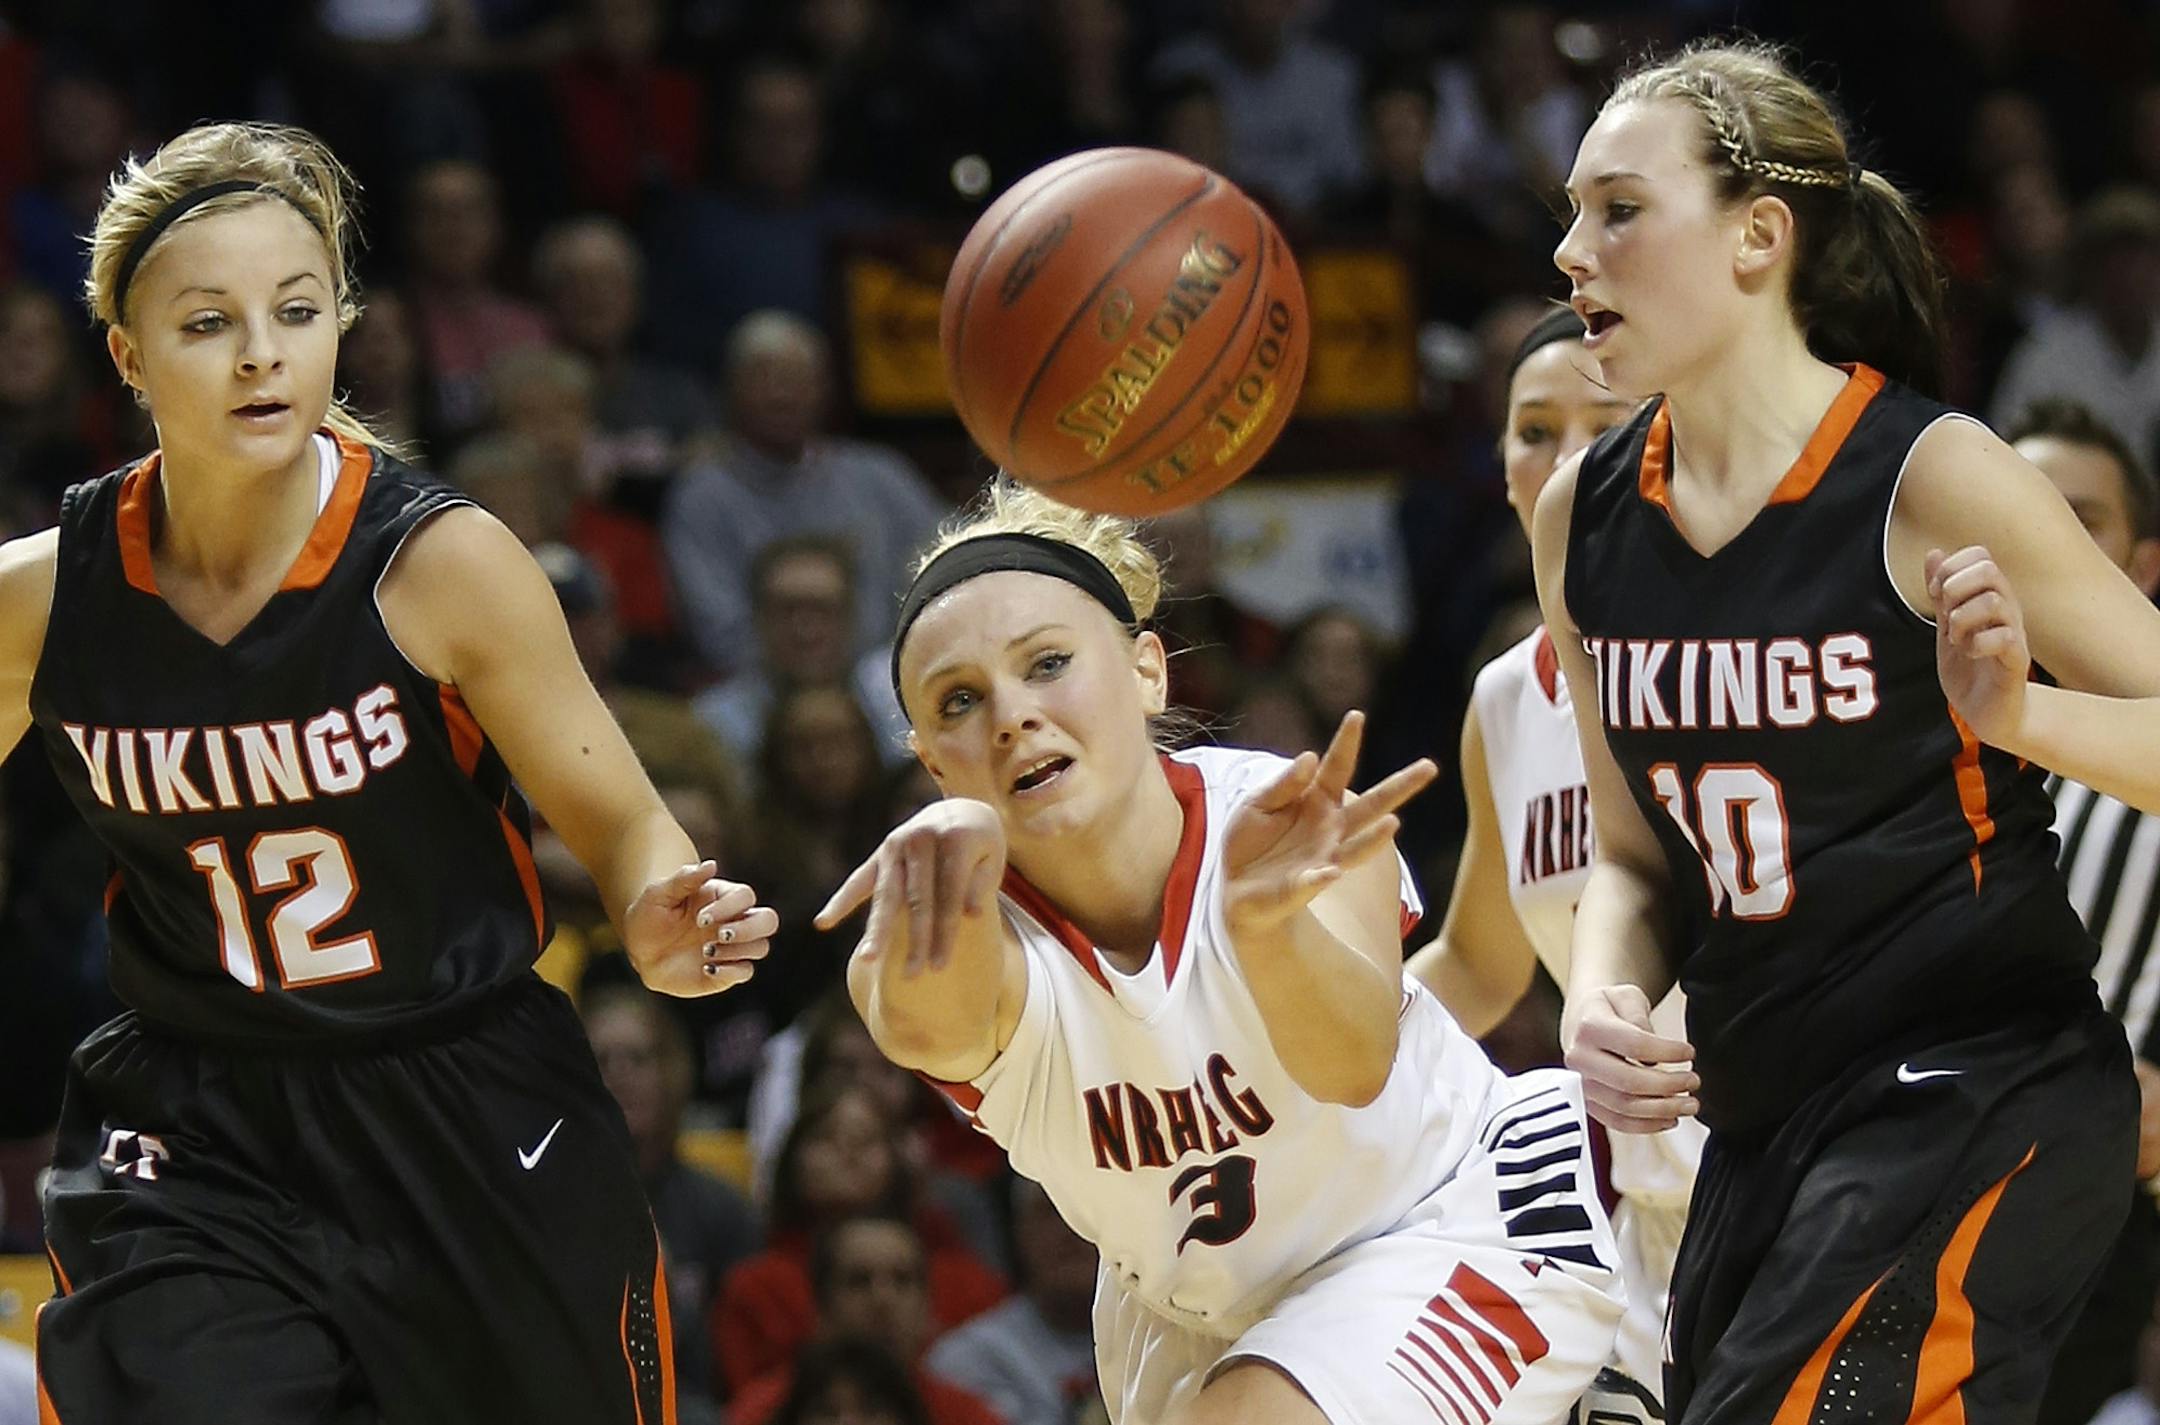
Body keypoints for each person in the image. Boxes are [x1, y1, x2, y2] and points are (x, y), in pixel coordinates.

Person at [2, 122, 778, 1422]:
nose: (261, 350)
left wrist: (659, 911)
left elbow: (628, 826)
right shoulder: (46, 599)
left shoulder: (440, 564)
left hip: (463, 1101)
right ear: (131, 356)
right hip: (197, 1119)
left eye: (296, 311)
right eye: (209, 322)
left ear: (340, 327)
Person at [1538, 40, 2160, 1425]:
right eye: (1570, 215)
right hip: (1766, 1124)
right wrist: (1596, 995)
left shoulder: (1927, 473)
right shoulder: (1578, 518)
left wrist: (2017, 715)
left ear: (1761, 236)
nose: (1573, 253)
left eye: (1620, 210)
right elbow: (1634, 856)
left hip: (1978, 1085)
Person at [817, 481, 1627, 1424]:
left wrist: (1263, 930)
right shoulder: (953, 941)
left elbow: (1355, 1063)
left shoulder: (1280, 818)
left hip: (1451, 1220)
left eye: (1047, 663)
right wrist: (937, 900)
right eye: (961, 699)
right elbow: (932, 1018)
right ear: (931, 760)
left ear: (1149, 671)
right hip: (1194, 1314)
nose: (1011, 714)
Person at [1406, 306, 1685, 1416]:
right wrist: (1276, 1034)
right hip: (1630, 1208)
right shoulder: (1506, 696)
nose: (1566, 456)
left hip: (1789, 1162)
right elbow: (1477, 969)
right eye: (1533, 429)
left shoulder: (1733, 652)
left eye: (1601, 422)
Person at [1997, 399, 2160, 1425]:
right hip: (1938, 1177)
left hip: (2127, 1218)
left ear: (2144, 564)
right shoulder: (1898, 724)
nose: (2044, 541)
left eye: (2082, 519)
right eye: (2022, 510)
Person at [583, 985, 763, 1420]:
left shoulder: (718, 1207)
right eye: (602, 1061)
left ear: (672, 1071)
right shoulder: (546, 1204)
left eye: (638, 1058)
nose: (620, 1075)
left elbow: (744, 1354)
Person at [729, 1213, 1007, 1425]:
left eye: (902, 1280)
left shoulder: (967, 1416)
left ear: (927, 1307)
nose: (883, 1300)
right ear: (820, 1306)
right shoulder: (764, 1411)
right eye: (859, 1281)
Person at [924, 1175, 1100, 1425]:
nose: (1071, 1229)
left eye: (1086, 1209)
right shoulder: (967, 1364)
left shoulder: (1168, 1347)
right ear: (1019, 1232)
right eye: (1050, 1210)